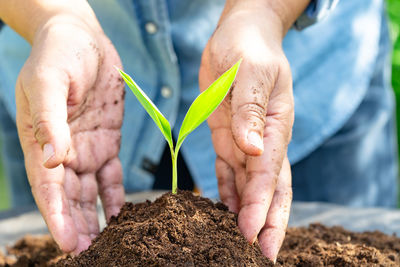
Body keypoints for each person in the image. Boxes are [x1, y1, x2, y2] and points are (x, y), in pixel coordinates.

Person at [0, 0, 397, 262]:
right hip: (74, 97)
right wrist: (54, 19)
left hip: (303, 69)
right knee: (71, 230)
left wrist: (262, 15)